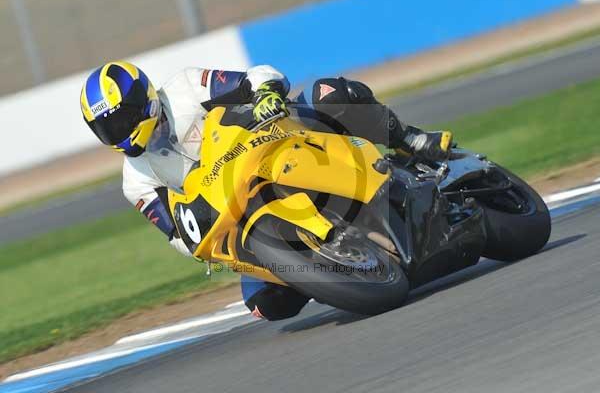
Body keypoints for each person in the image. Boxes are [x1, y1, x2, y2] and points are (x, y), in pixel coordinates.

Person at [80, 61, 453, 321]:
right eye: (108, 129)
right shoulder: (136, 181)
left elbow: (259, 77)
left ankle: (410, 141)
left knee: (329, 93)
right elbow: (178, 236)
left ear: (142, 98)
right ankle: (335, 267)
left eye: (123, 119)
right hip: (241, 213)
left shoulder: (185, 87)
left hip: (279, 141)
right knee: (266, 305)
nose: (121, 132)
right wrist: (200, 241)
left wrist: (266, 94)